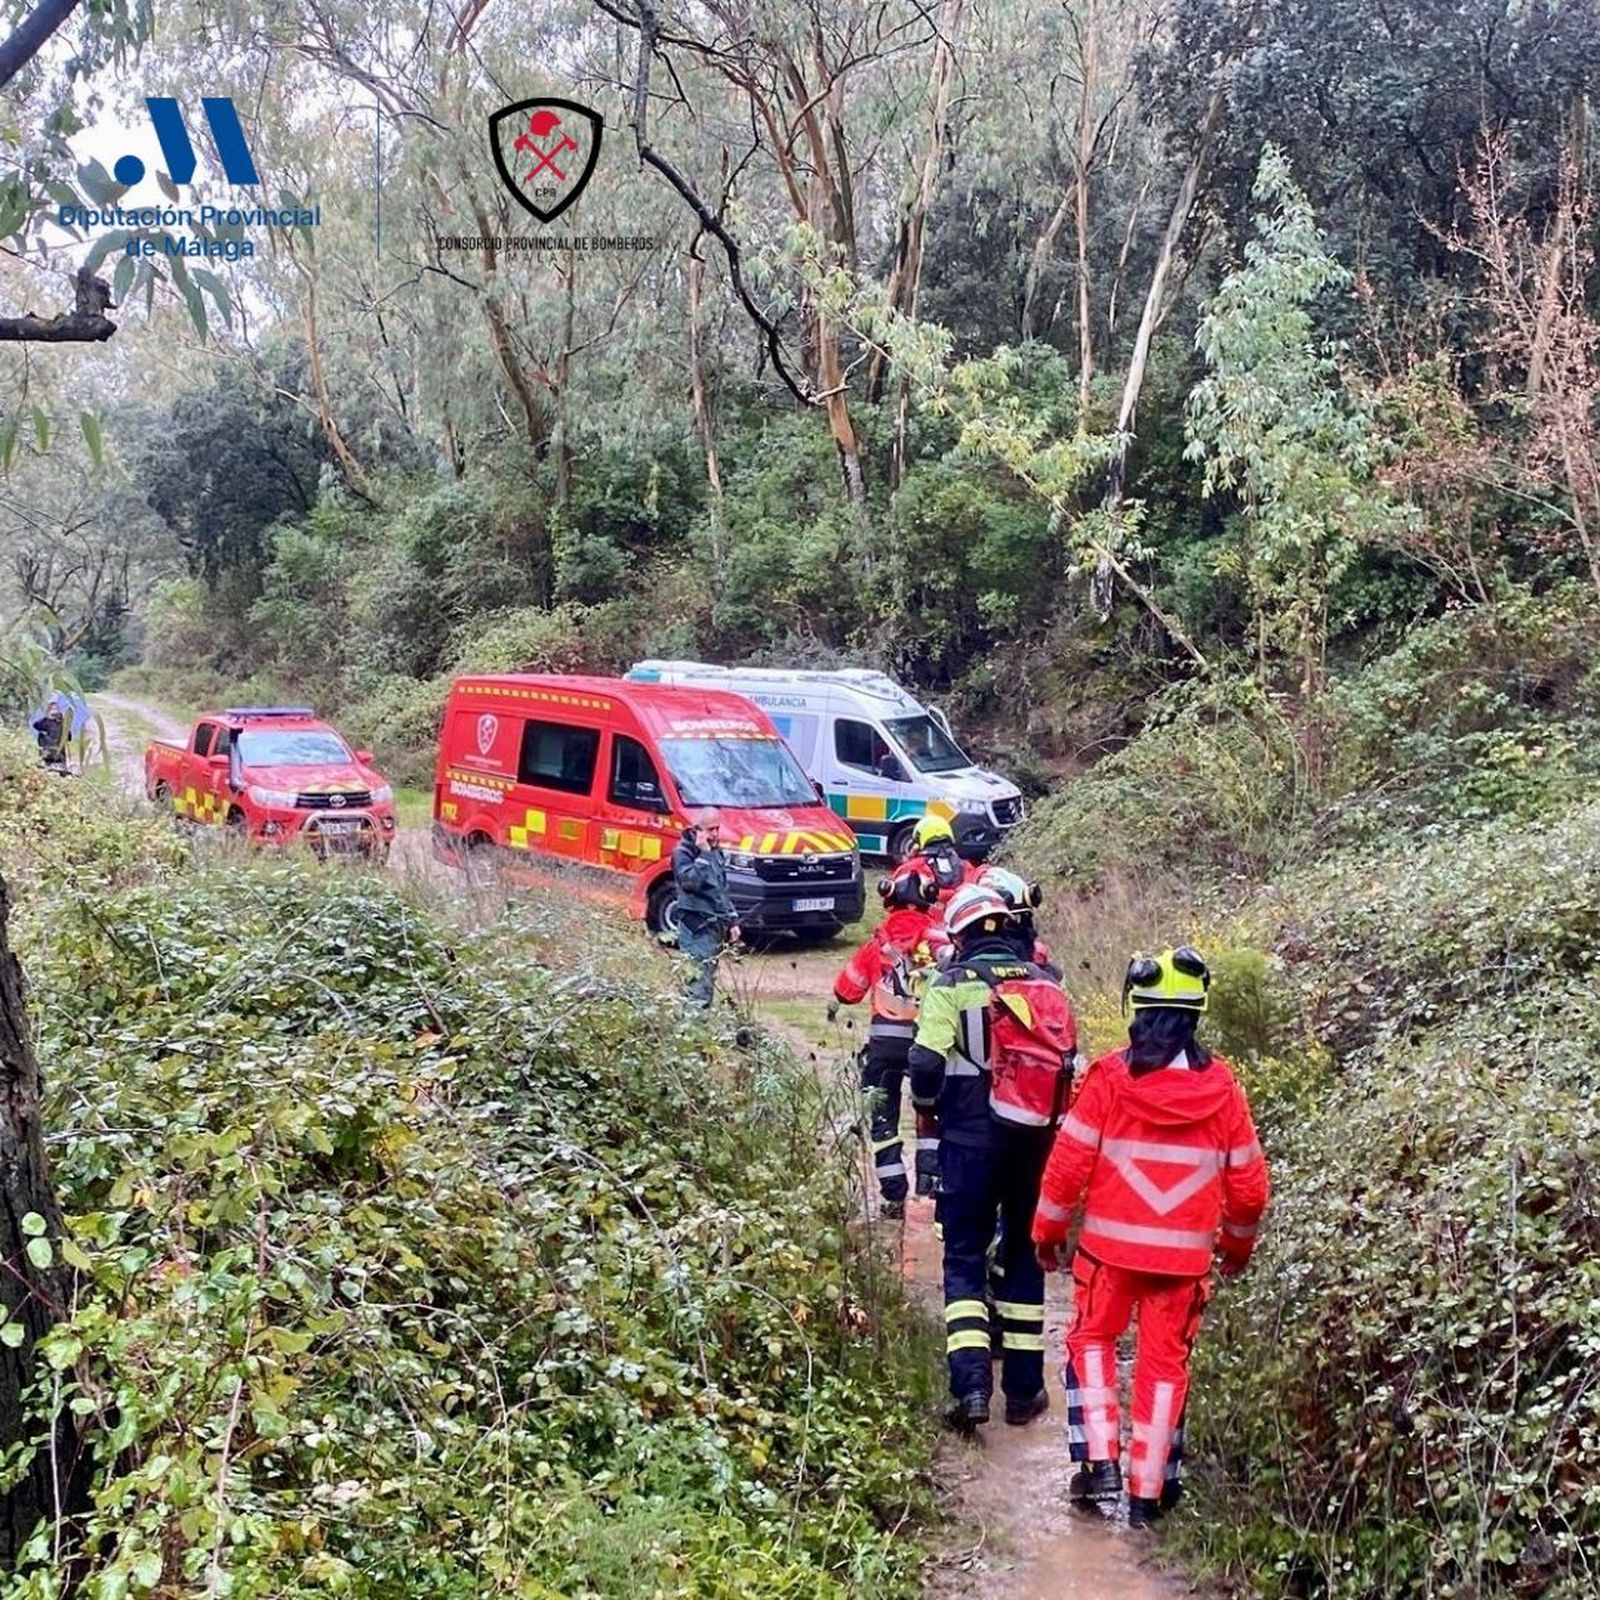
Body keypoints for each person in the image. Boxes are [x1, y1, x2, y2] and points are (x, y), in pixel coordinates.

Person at [1032, 946, 1270, 1527]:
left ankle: (1098, 1461)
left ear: (1135, 1007)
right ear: (1197, 1012)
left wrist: (1048, 1232)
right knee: (1164, 1369)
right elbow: (1249, 1189)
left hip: (1107, 1256)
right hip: (1183, 1263)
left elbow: (1068, 1165)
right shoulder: (1224, 1091)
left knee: (1091, 1343)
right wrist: (1236, 1249)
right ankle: (1145, 1499)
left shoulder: (1110, 1078)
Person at [910, 884, 1078, 1432]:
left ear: (959, 936)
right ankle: (1025, 1392)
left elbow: (926, 1065)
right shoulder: (1046, 982)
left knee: (962, 1259)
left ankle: (971, 1387)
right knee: (1026, 1261)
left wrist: (931, 1109)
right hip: (1033, 1146)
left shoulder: (950, 984)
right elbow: (1068, 1063)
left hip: (968, 1145)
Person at [829, 873, 940, 1219]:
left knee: (882, 1118)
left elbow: (847, 990)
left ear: (888, 901)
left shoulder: (877, 945)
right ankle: (931, 1184)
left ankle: (894, 1197)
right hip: (928, 1040)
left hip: (884, 1043)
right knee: (932, 1114)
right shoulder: (937, 942)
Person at [671, 809, 741, 1009]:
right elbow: (690, 883)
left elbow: (720, 890)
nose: (715, 834)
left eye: (717, 829)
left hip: (714, 929)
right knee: (696, 987)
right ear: (696, 831)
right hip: (695, 929)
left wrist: (732, 921)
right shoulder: (683, 853)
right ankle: (690, 1033)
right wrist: (703, 855)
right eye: (711, 829)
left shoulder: (714, 852)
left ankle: (702, 1033)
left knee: (707, 986)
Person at [892, 813, 966, 908]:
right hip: (956, 916)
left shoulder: (913, 867)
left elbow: (895, 897)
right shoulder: (965, 865)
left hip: (925, 918)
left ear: (919, 840)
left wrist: (909, 860)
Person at [30, 697, 66, 771]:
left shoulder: (62, 723)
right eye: (52, 709)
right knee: (46, 769)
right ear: (48, 711)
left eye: (56, 709)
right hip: (47, 750)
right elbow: (36, 725)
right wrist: (46, 718)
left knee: (59, 771)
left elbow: (68, 736)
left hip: (59, 752)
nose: (54, 711)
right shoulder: (45, 722)